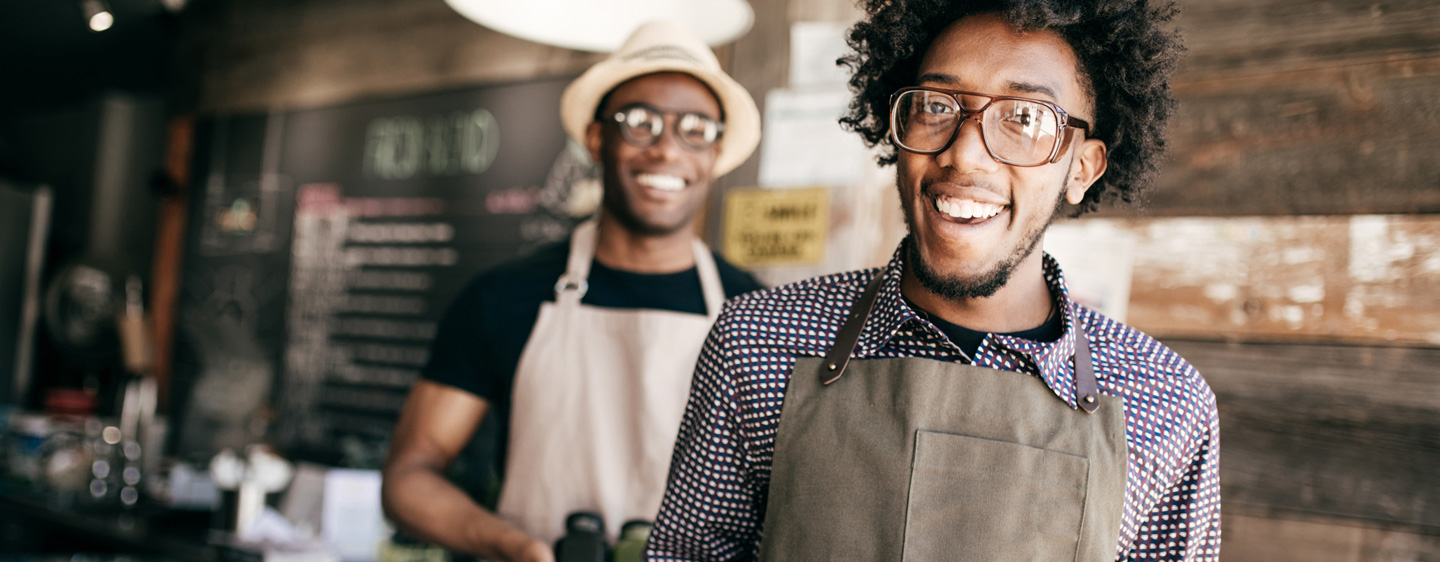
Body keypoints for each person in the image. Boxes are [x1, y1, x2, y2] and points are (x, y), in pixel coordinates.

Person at [647, 1, 1221, 561]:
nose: (965, 156)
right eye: (937, 106)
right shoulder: (755, 341)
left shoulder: (1168, 404)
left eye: (1025, 118)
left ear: (1082, 168)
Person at [381, 21, 764, 562]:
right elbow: (408, 476)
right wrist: (510, 545)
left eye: (695, 128)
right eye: (639, 122)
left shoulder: (756, 317)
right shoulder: (501, 297)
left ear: (715, 151)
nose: (665, 150)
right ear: (595, 137)